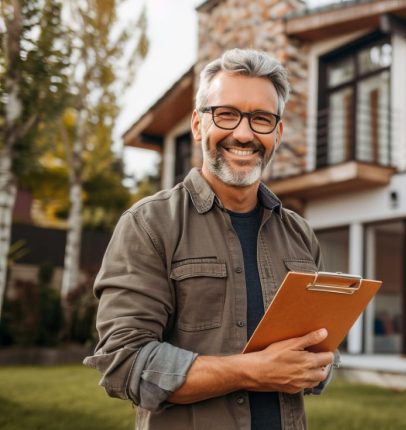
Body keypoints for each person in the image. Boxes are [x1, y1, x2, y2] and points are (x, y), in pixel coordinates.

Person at [84, 49, 336, 430]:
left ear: (277, 133)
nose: (244, 133)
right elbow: (124, 363)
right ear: (198, 125)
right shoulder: (149, 225)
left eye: (261, 119)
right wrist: (251, 371)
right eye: (227, 114)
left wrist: (320, 363)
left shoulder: (299, 234)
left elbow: (312, 353)